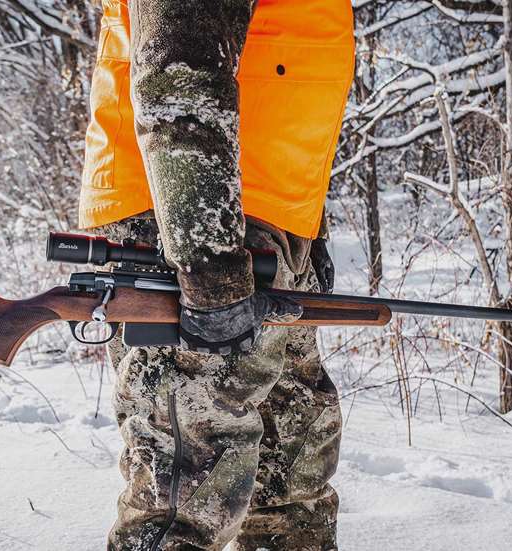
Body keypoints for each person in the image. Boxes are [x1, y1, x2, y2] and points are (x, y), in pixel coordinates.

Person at [78, 0, 355, 549]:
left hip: (264, 228)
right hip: (190, 224)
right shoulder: (204, 242)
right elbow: (178, 70)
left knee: (291, 481)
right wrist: (207, 262)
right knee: (184, 495)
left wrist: (306, 234)